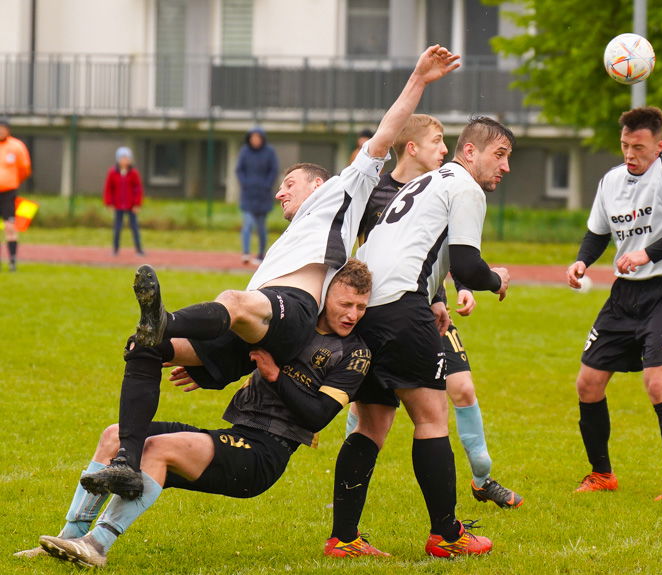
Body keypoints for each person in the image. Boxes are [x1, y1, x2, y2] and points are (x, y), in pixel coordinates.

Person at [79, 46, 460, 505]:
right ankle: (127, 458)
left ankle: (165, 319)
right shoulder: (288, 237)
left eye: (290, 183)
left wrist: (418, 77)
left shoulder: (345, 187)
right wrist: (218, 369)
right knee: (143, 347)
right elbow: (257, 342)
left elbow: (386, 131)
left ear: (318, 185)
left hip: (289, 309)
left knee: (233, 299)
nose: (280, 192)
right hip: (258, 324)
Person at [15, 260, 377, 568]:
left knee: (159, 449)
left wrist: (275, 376)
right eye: (346, 304)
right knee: (116, 436)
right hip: (238, 431)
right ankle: (68, 539)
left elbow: (317, 415)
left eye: (361, 308)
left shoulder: (354, 353)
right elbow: (235, 354)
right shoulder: (290, 329)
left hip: (266, 453)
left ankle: (96, 547)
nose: (353, 315)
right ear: (326, 294)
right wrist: (203, 371)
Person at [327, 116, 513, 559]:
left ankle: (344, 538)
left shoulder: (421, 184)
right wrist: (496, 278)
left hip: (367, 308)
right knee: (431, 419)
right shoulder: (464, 186)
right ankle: (447, 536)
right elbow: (467, 265)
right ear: (472, 152)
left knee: (371, 424)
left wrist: (433, 295)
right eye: (500, 155)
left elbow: (411, 245)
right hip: (400, 309)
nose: (504, 167)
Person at [565, 106, 662, 501]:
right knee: (588, 383)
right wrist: (582, 260)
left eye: (639, 147)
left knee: (656, 382)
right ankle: (601, 474)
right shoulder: (610, 181)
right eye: (625, 145)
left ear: (658, 145)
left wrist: (648, 253)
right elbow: (597, 233)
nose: (630, 153)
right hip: (623, 295)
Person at [236, 127, 279, 264]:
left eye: (258, 137)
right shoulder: (244, 152)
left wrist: (266, 185)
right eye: (252, 138)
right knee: (247, 224)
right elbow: (239, 170)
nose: (255, 140)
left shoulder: (269, 152)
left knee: (261, 227)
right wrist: (245, 184)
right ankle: (246, 253)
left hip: (263, 196)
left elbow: (274, 170)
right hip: (248, 195)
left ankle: (261, 255)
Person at [0, 117, 32, 272]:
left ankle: (12, 260)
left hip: (8, 193)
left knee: (9, 227)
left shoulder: (16, 146)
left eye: (3, 128)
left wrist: (12, 181)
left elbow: (25, 169)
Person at [103, 147, 145, 256]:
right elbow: (108, 189)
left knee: (134, 228)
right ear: (118, 159)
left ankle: (139, 250)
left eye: (127, 158)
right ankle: (115, 250)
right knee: (117, 228)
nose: (125, 160)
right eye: (122, 158)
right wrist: (109, 203)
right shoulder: (112, 173)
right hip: (118, 205)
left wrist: (137, 204)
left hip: (131, 205)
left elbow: (138, 189)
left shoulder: (134, 173)